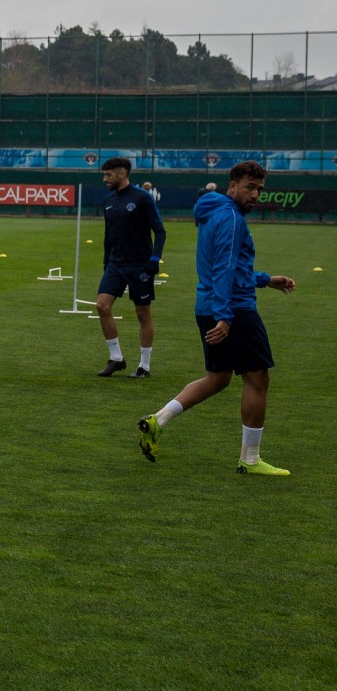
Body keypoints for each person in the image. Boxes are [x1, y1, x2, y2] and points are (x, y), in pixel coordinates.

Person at [138, 162, 296, 475]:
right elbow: (224, 268)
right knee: (258, 379)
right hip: (233, 309)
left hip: (208, 305)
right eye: (249, 187)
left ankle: (158, 420)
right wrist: (225, 317)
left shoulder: (214, 212)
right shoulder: (231, 218)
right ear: (232, 186)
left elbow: (230, 267)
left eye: (259, 189)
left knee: (218, 378)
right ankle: (250, 460)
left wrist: (265, 280)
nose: (255, 195)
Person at [95, 157, 166, 378]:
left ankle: (144, 365)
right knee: (102, 306)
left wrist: (155, 258)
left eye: (108, 175)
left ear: (122, 173)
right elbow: (108, 235)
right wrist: (106, 261)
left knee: (142, 313)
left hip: (140, 265)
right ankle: (116, 358)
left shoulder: (142, 197)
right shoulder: (108, 200)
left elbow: (160, 230)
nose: (105, 179)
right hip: (115, 264)